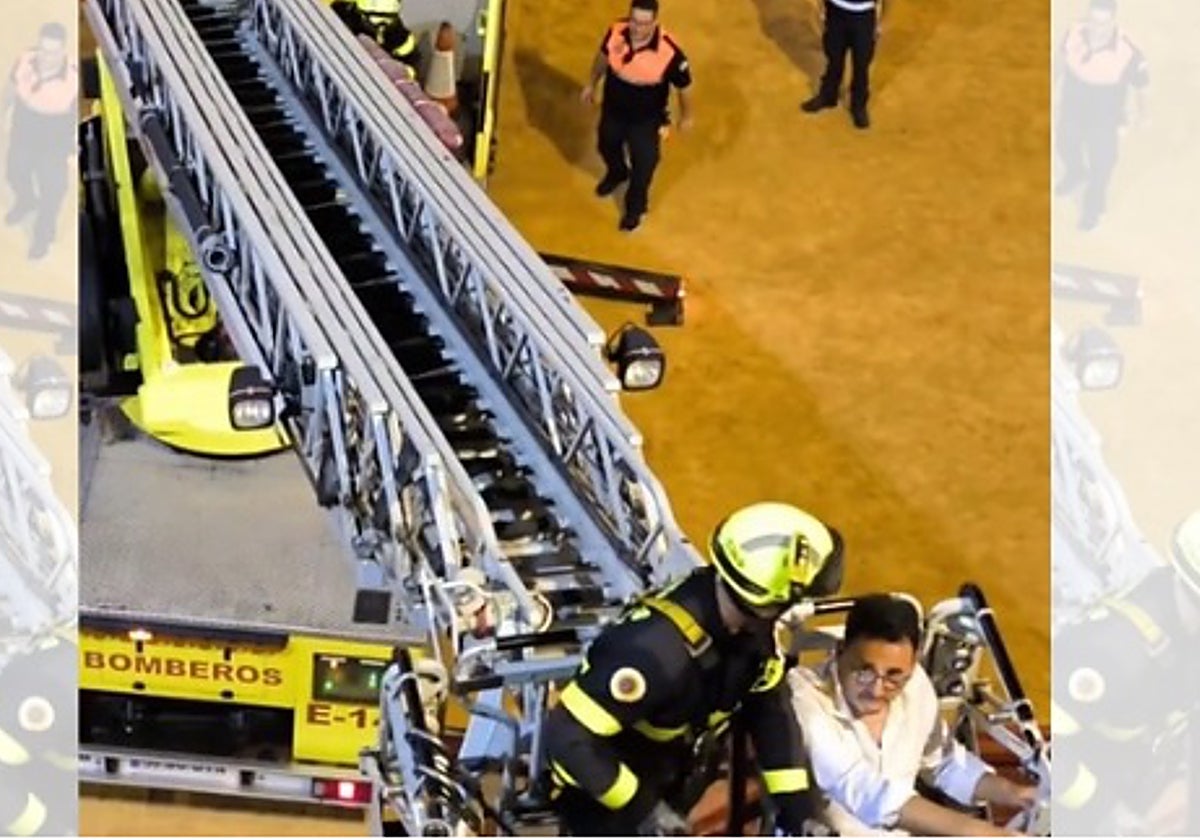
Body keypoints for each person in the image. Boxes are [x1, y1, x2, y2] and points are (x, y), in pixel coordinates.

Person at [543, 502, 845, 836]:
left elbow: (769, 715)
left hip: (671, 780)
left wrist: (799, 812)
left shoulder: (751, 633)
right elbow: (567, 735)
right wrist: (644, 810)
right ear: (769, 601)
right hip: (602, 803)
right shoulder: (652, 651)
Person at [788, 593, 1038, 836]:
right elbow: (862, 788)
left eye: (894, 676)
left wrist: (1014, 793)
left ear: (913, 663)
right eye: (864, 671)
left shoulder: (916, 682)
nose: (876, 689)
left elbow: (942, 763)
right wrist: (985, 834)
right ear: (840, 651)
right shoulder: (804, 695)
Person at [1051, 509, 1200, 835]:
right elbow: (1047, 746)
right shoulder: (1111, 652)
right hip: (1090, 814)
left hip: (1151, 789)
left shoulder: (1186, 635)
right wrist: (1106, 812)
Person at [580, 0, 694, 233]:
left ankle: (635, 209)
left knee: (644, 165)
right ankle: (618, 172)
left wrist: (687, 116)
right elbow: (602, 57)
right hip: (614, 109)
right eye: (634, 21)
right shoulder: (616, 31)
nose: (637, 28)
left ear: (654, 22)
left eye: (644, 24)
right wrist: (591, 83)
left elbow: (685, 87)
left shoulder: (669, 51)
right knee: (606, 144)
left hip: (646, 119)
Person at [1054, 0, 1149, 232]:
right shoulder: (1073, 32)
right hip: (1073, 103)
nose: (1096, 28)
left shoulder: (1128, 51)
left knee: (1102, 164)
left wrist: (1143, 114)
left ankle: (1093, 208)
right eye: (1092, 21)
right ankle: (1076, 172)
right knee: (1065, 145)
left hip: (1105, 112)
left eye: (1103, 23)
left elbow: (1142, 85)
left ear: (1113, 20)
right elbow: (1060, 60)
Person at [3, 22, 77, 261]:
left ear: (63, 50)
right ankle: (26, 200)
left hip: (54, 136)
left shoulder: (73, 78)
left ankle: (43, 236)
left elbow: (78, 113)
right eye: (44, 50)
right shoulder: (25, 60)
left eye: (53, 52)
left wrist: (73, 146)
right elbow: (10, 90)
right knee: (15, 172)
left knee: (52, 191)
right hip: (25, 127)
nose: (47, 57)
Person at [800, 0, 884, 129]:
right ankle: (828, 95)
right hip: (835, 11)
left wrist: (882, 22)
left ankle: (858, 105)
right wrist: (820, 6)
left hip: (864, 15)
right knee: (834, 56)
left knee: (861, 63)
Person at [331, 0, 423, 75]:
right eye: (373, 21)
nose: (381, 26)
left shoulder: (399, 36)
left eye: (387, 21)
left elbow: (411, 63)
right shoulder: (342, 16)